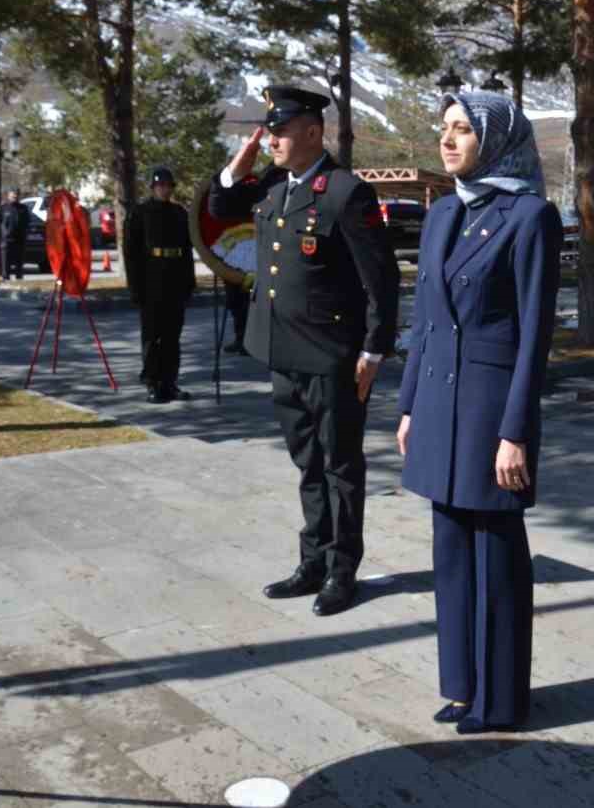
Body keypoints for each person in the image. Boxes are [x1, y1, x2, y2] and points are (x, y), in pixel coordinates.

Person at [397, 91, 560, 735]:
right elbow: (426, 321)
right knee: (450, 550)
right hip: (438, 404)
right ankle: (461, 686)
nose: (449, 139)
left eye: (463, 129)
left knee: (495, 552)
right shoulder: (441, 214)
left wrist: (515, 432)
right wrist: (408, 405)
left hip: (493, 413)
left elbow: (534, 334)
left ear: (494, 140)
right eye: (445, 128)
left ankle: (502, 700)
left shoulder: (530, 217)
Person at [208, 85, 400, 617]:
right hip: (283, 352)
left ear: (312, 133)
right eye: (268, 131)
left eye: (280, 131)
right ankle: (311, 561)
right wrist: (236, 166)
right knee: (308, 464)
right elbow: (221, 206)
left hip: (332, 355)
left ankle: (342, 571)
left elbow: (380, 279)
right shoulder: (275, 186)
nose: (270, 139)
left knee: (340, 466)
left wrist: (375, 349)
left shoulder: (344, 192)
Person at [124, 166, 196, 403]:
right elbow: (131, 254)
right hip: (151, 278)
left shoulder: (179, 213)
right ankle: (153, 382)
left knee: (172, 335)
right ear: (153, 187)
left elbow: (186, 250)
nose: (164, 189)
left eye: (168, 185)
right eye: (160, 185)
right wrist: (135, 287)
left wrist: (189, 281)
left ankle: (170, 381)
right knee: (152, 335)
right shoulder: (140, 213)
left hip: (174, 277)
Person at [0, 190, 30, 280]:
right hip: (7, 239)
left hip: (20, 238)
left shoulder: (23, 208)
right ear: (8, 197)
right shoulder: (4, 208)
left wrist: (25, 232)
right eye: (13, 197)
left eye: (16, 197)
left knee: (19, 260)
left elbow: (27, 222)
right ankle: (5, 276)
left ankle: (19, 277)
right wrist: (3, 234)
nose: (14, 198)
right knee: (6, 260)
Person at [222, 278, 251, 354]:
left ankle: (244, 342)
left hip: (245, 275)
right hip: (234, 277)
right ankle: (240, 340)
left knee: (243, 307)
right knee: (236, 308)